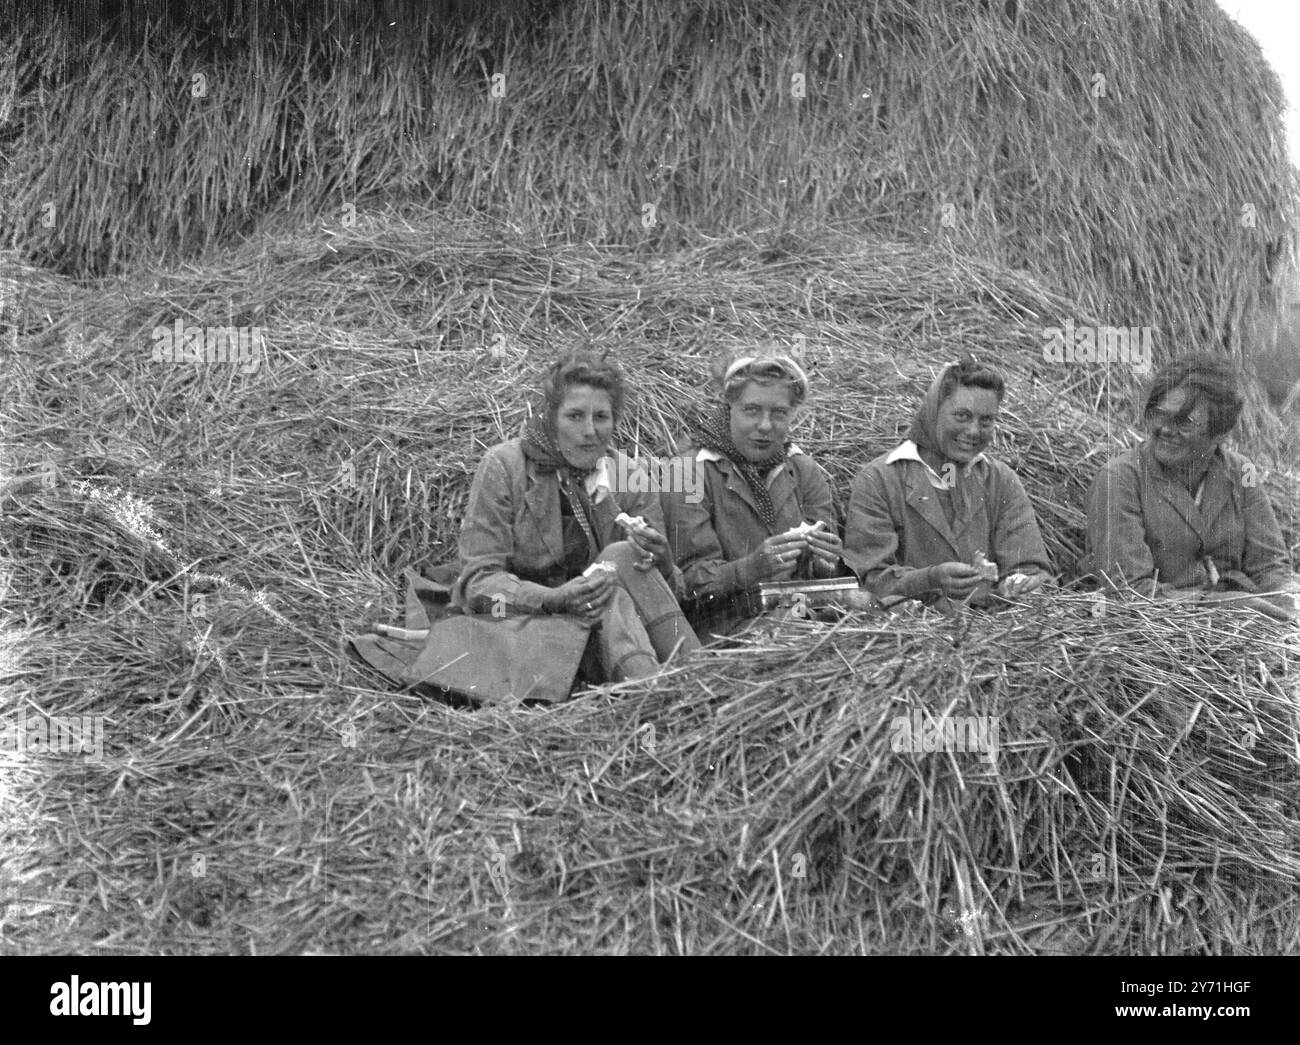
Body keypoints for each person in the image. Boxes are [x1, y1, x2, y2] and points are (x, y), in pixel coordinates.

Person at [452, 351, 701, 687]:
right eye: (574, 416)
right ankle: (683, 684)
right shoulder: (505, 466)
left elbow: (671, 593)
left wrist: (664, 562)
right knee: (611, 576)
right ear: (552, 418)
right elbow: (477, 582)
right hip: (528, 627)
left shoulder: (627, 474)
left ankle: (678, 682)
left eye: (601, 417)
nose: (590, 431)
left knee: (619, 566)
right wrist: (552, 598)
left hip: (608, 626)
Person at [1083, 354, 1297, 617]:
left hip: (1241, 629)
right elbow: (1128, 592)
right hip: (1157, 632)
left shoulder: (1243, 473)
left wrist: (1288, 600)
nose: (1165, 430)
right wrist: (1222, 606)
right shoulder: (1119, 479)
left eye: (1184, 422)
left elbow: (1270, 566)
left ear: (1220, 433)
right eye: (1160, 415)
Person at [661, 352, 847, 635]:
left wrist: (825, 562)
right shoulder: (687, 473)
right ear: (728, 406)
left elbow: (829, 571)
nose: (765, 425)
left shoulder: (803, 470)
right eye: (752, 410)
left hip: (799, 613)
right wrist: (752, 567)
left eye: (779, 413)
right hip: (723, 625)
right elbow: (689, 583)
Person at [843, 358, 1052, 608]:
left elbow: (1032, 568)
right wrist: (930, 579)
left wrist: (1022, 583)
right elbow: (870, 579)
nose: (974, 431)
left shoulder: (1000, 481)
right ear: (933, 412)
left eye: (986, 421)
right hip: (910, 633)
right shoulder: (879, 479)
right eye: (962, 416)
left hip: (995, 632)